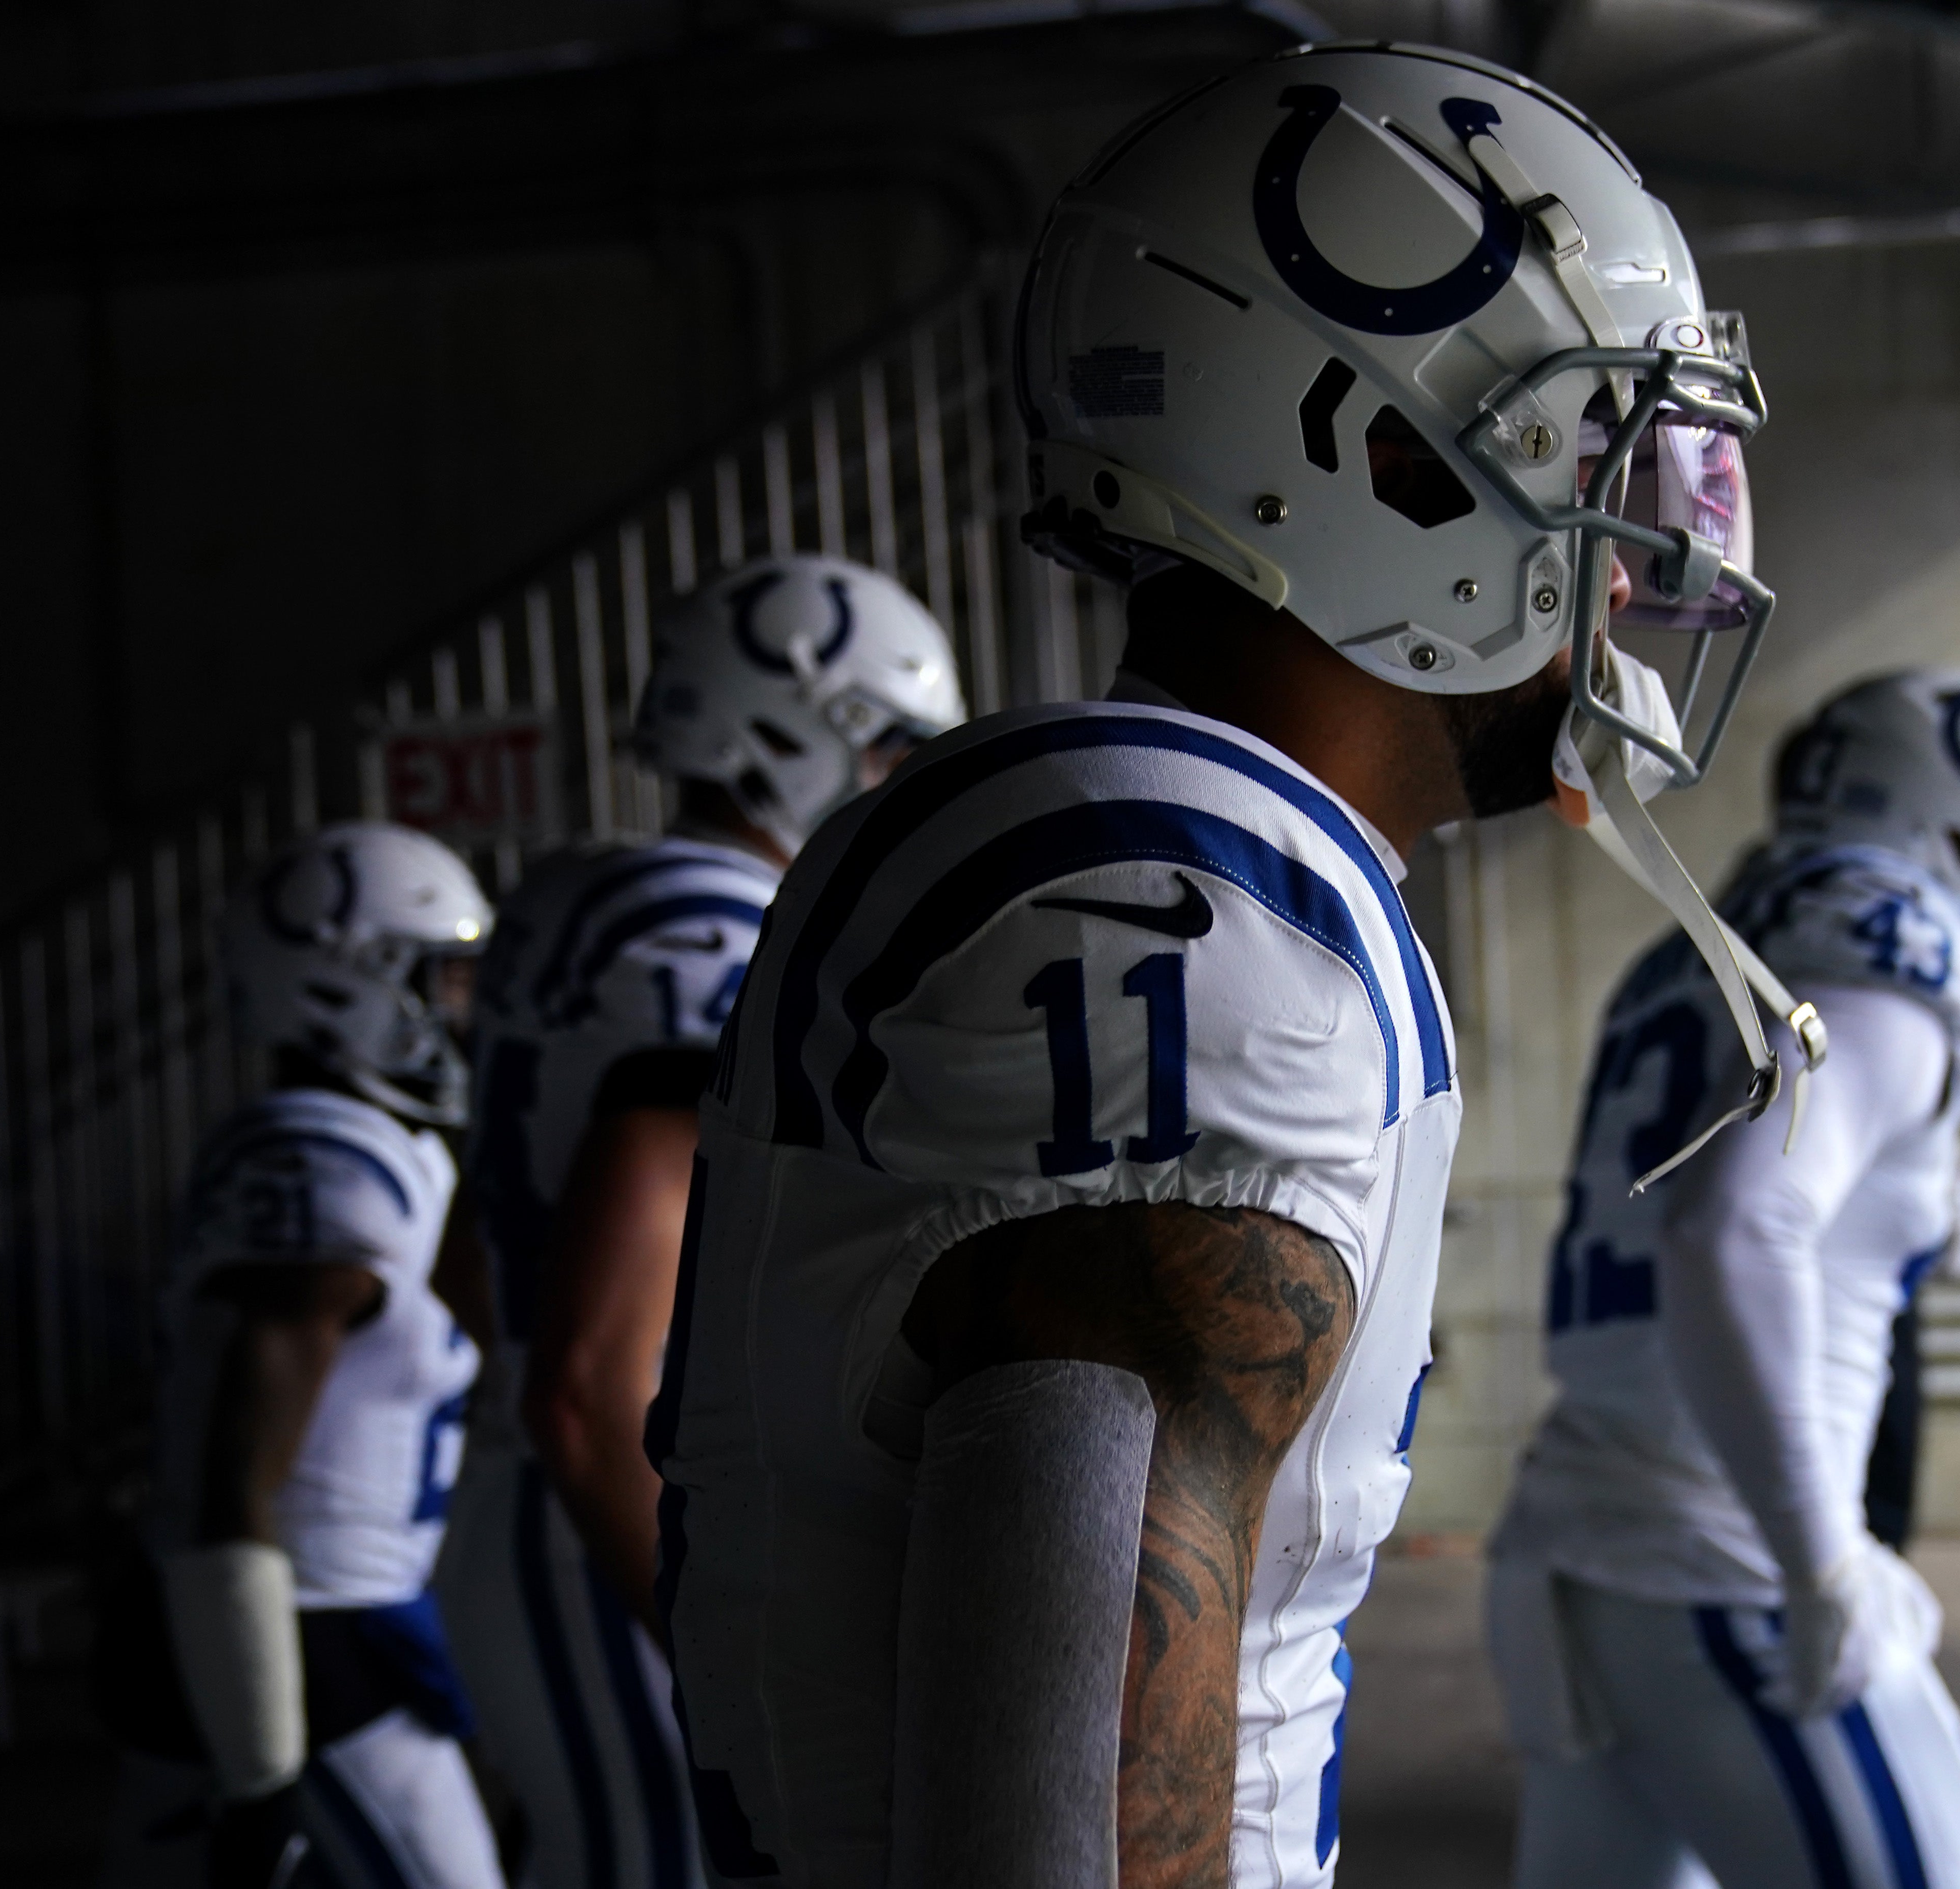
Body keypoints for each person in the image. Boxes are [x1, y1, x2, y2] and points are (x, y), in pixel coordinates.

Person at [646, 40, 1800, 1888]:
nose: (1650, 540)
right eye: (1595, 446)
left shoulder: (1149, 829)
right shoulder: (1206, 912)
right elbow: (1067, 1804)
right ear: (1388, 463)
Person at [1487, 668, 1960, 1889]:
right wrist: (1820, 1559)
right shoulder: (1892, 937)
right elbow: (1736, 1227)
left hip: (1577, 1542)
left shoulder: (1715, 932)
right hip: (1722, 1563)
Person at [435, 555, 963, 1889]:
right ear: (790, 735)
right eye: (888, 745)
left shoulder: (579, 899)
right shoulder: (715, 932)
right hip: (611, 1509)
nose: (901, 783)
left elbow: (481, 1276)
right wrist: (721, 1633)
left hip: (542, 1504)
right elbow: (583, 1383)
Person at [97, 822, 501, 1889]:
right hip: (308, 1641)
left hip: (280, 1627)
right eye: (438, 977)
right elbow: (238, 1468)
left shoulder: (366, 1147)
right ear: (342, 983)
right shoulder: (321, 1157)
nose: (459, 1009)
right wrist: (263, 1755)